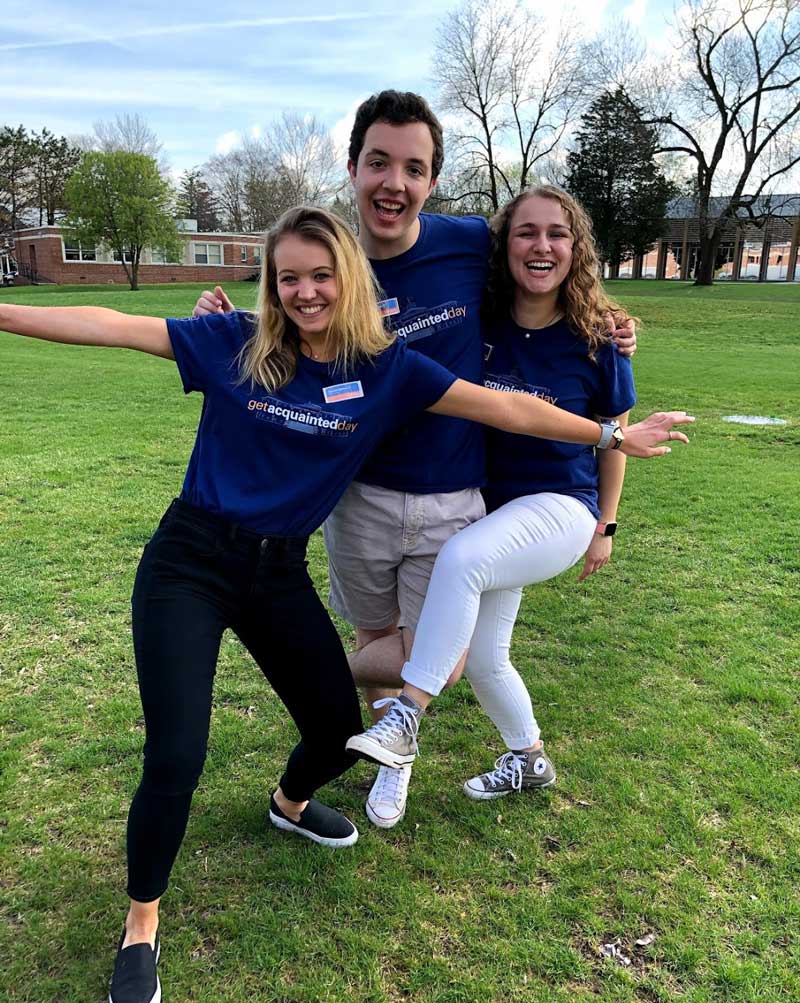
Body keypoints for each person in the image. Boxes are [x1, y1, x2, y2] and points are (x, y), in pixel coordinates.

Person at [1, 205, 688, 1003]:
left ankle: (288, 803)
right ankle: (141, 921)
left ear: (349, 278)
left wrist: (608, 428)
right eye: (288, 277)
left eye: (321, 275)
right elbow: (111, 323)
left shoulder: (389, 368)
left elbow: (503, 407)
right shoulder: (237, 344)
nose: (304, 292)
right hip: (190, 562)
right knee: (178, 749)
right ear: (272, 283)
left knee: (334, 728)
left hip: (277, 572)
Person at [194, 89, 640, 832]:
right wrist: (225, 322)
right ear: (353, 167)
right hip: (360, 493)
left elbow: (549, 264)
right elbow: (289, 314)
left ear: (432, 179)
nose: (393, 183)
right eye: (378, 163)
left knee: (448, 653)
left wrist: (614, 324)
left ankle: (321, 677)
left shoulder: (470, 243)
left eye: (413, 167)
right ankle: (389, 762)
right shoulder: (332, 257)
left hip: (458, 491)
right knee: (382, 641)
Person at [345, 186, 692, 799]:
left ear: (576, 248)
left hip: (561, 509)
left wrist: (605, 528)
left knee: (462, 560)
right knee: (482, 657)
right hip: (490, 510)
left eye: (557, 234)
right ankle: (529, 758)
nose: (542, 246)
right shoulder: (484, 320)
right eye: (526, 233)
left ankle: (406, 716)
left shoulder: (600, 340)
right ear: (505, 247)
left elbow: (615, 440)